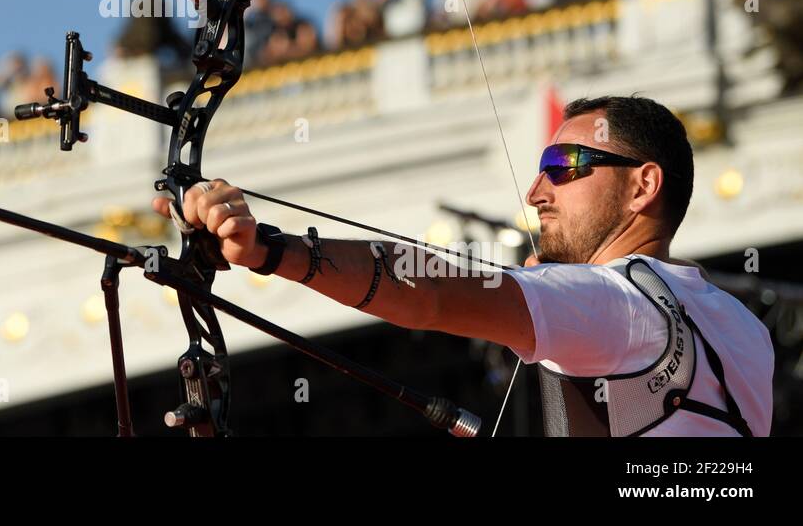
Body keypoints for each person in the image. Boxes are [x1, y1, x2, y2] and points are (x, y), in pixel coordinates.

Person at [153, 95, 772, 436]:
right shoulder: (744, 329)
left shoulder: (619, 304)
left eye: (564, 165)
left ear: (643, 186)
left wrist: (270, 250)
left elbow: (433, 295)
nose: (536, 192)